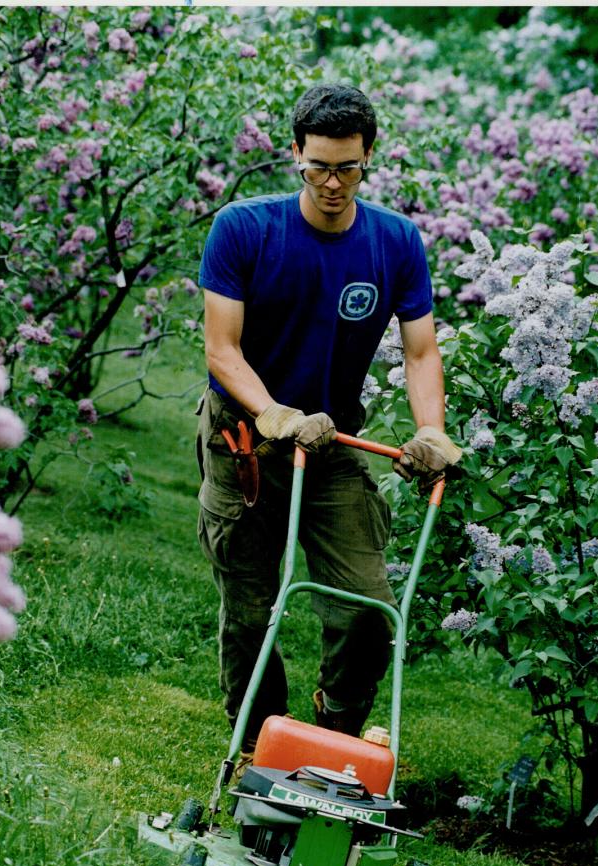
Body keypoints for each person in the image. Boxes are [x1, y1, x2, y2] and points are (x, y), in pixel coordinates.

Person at [196, 84, 461, 765]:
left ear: (368, 157)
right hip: (245, 444)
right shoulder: (244, 228)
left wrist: (429, 430)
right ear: (295, 154)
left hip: (333, 440)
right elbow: (222, 348)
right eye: (317, 166)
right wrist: (271, 412)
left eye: (347, 167)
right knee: (252, 613)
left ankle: (334, 731)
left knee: (369, 610)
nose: (332, 182)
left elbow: (420, 348)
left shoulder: (395, 243)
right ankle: (260, 743)